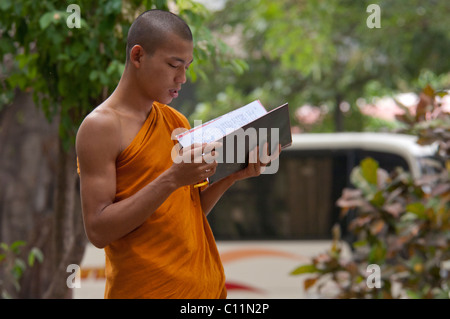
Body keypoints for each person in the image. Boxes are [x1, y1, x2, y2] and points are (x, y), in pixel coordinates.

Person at [75, 9, 275, 299]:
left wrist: (234, 175)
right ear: (138, 56)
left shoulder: (175, 122)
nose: (182, 78)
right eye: (173, 65)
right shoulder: (102, 126)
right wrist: (171, 179)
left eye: (187, 67)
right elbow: (98, 230)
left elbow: (188, 213)